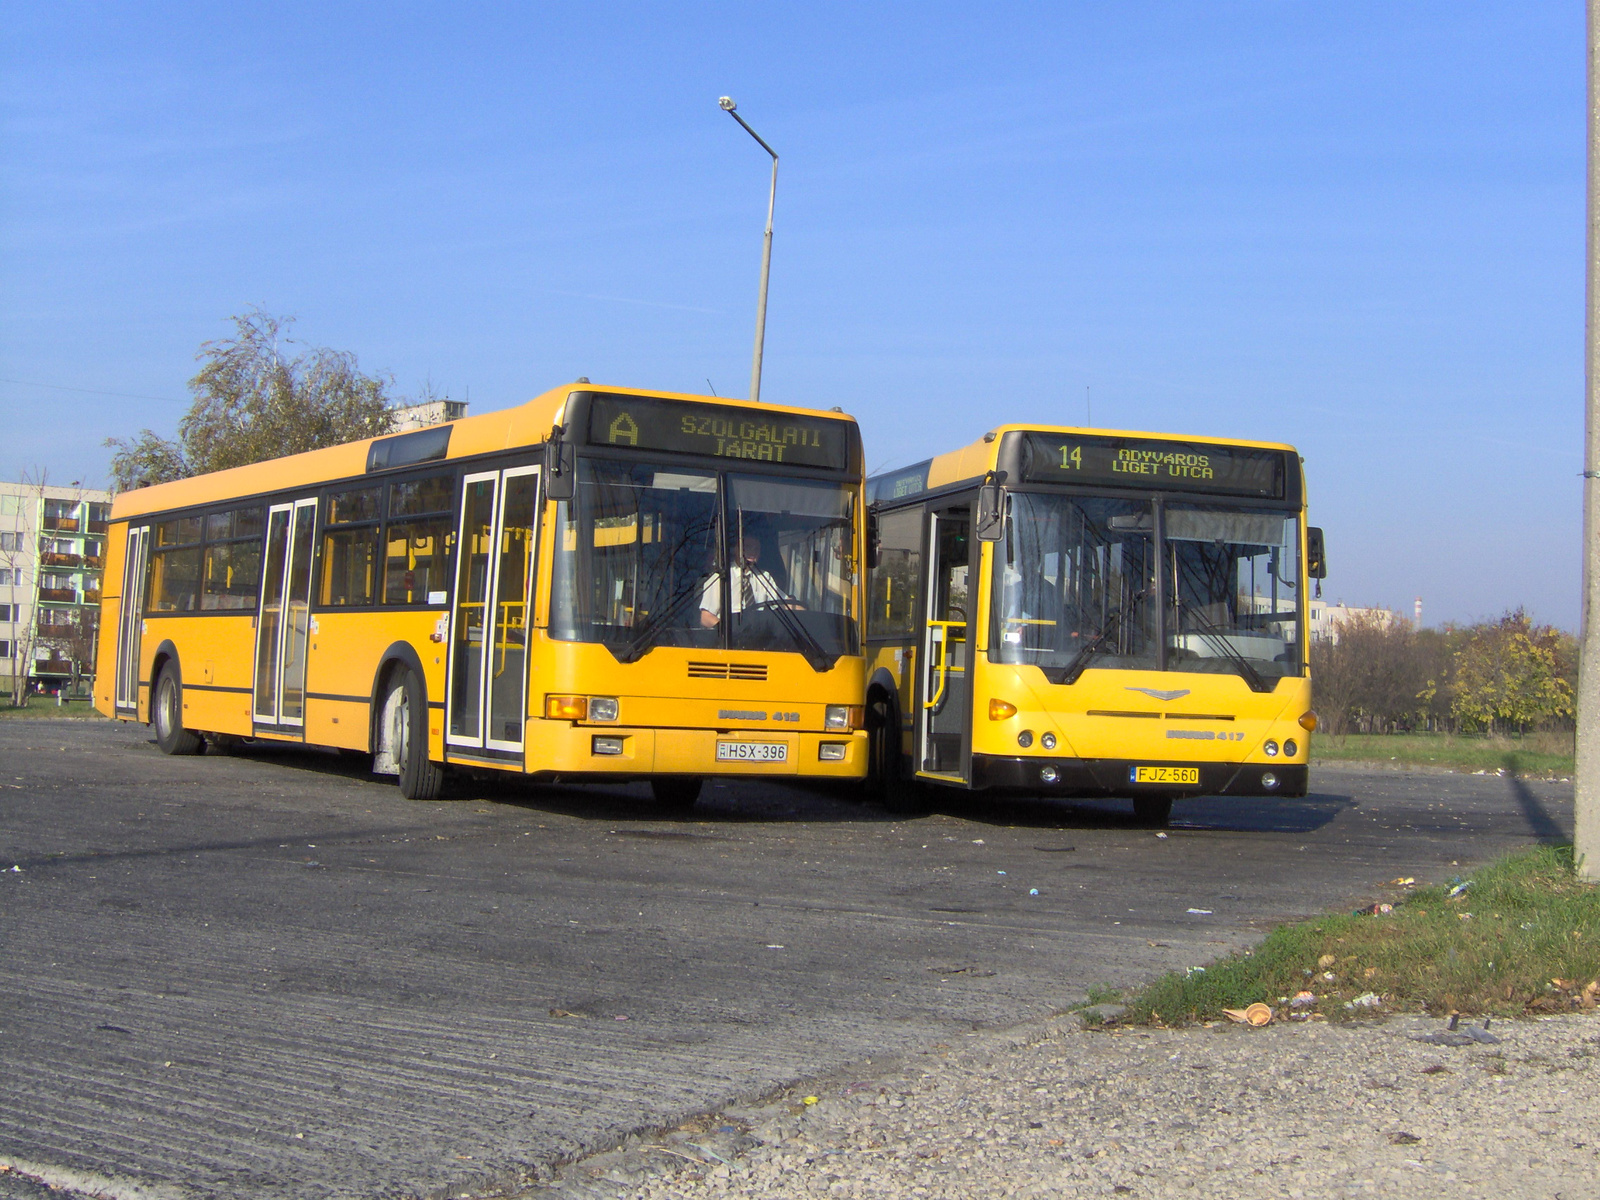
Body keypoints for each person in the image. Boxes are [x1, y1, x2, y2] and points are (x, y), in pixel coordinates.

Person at [699, 536, 795, 628]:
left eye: (756, 549)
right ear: (737, 549)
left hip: (758, 635)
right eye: (747, 547)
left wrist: (805, 613)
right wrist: (728, 631)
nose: (752, 552)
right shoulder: (720, 576)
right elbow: (706, 617)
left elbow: (784, 603)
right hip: (729, 639)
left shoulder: (764, 577)